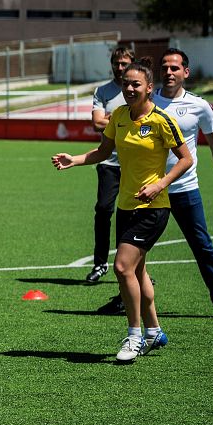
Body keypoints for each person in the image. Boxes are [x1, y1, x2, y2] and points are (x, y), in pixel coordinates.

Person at [52, 61, 192, 362]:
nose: (129, 88)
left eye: (135, 84)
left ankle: (134, 336)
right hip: (126, 206)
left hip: (153, 207)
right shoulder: (118, 116)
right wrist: (74, 159)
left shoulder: (161, 120)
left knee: (122, 267)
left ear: (149, 88)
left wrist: (160, 184)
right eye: (126, 83)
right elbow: (103, 152)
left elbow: (186, 159)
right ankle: (154, 331)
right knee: (137, 271)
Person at [98, 48, 213, 318]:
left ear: (186, 72)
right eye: (164, 68)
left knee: (202, 245)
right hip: (144, 193)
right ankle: (125, 299)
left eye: (175, 68)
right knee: (131, 252)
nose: (169, 72)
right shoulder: (145, 100)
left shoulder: (199, 106)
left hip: (183, 189)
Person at [85, 47, 134, 283]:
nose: (120, 67)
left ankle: (135, 267)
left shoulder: (138, 89)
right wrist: (125, 120)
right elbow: (96, 124)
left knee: (134, 214)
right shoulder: (102, 91)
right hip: (109, 162)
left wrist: (111, 118)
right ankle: (100, 263)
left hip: (135, 164)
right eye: (116, 63)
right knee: (104, 210)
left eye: (124, 63)